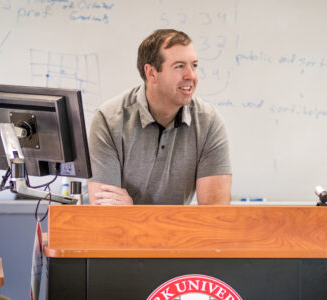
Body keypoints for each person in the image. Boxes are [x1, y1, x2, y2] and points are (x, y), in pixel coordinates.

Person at [87, 29, 232, 206]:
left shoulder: (209, 123)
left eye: (194, 65)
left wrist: (132, 212)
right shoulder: (108, 120)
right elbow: (104, 212)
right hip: (121, 234)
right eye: (179, 66)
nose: (191, 76)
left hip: (178, 233)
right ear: (151, 73)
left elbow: (214, 214)